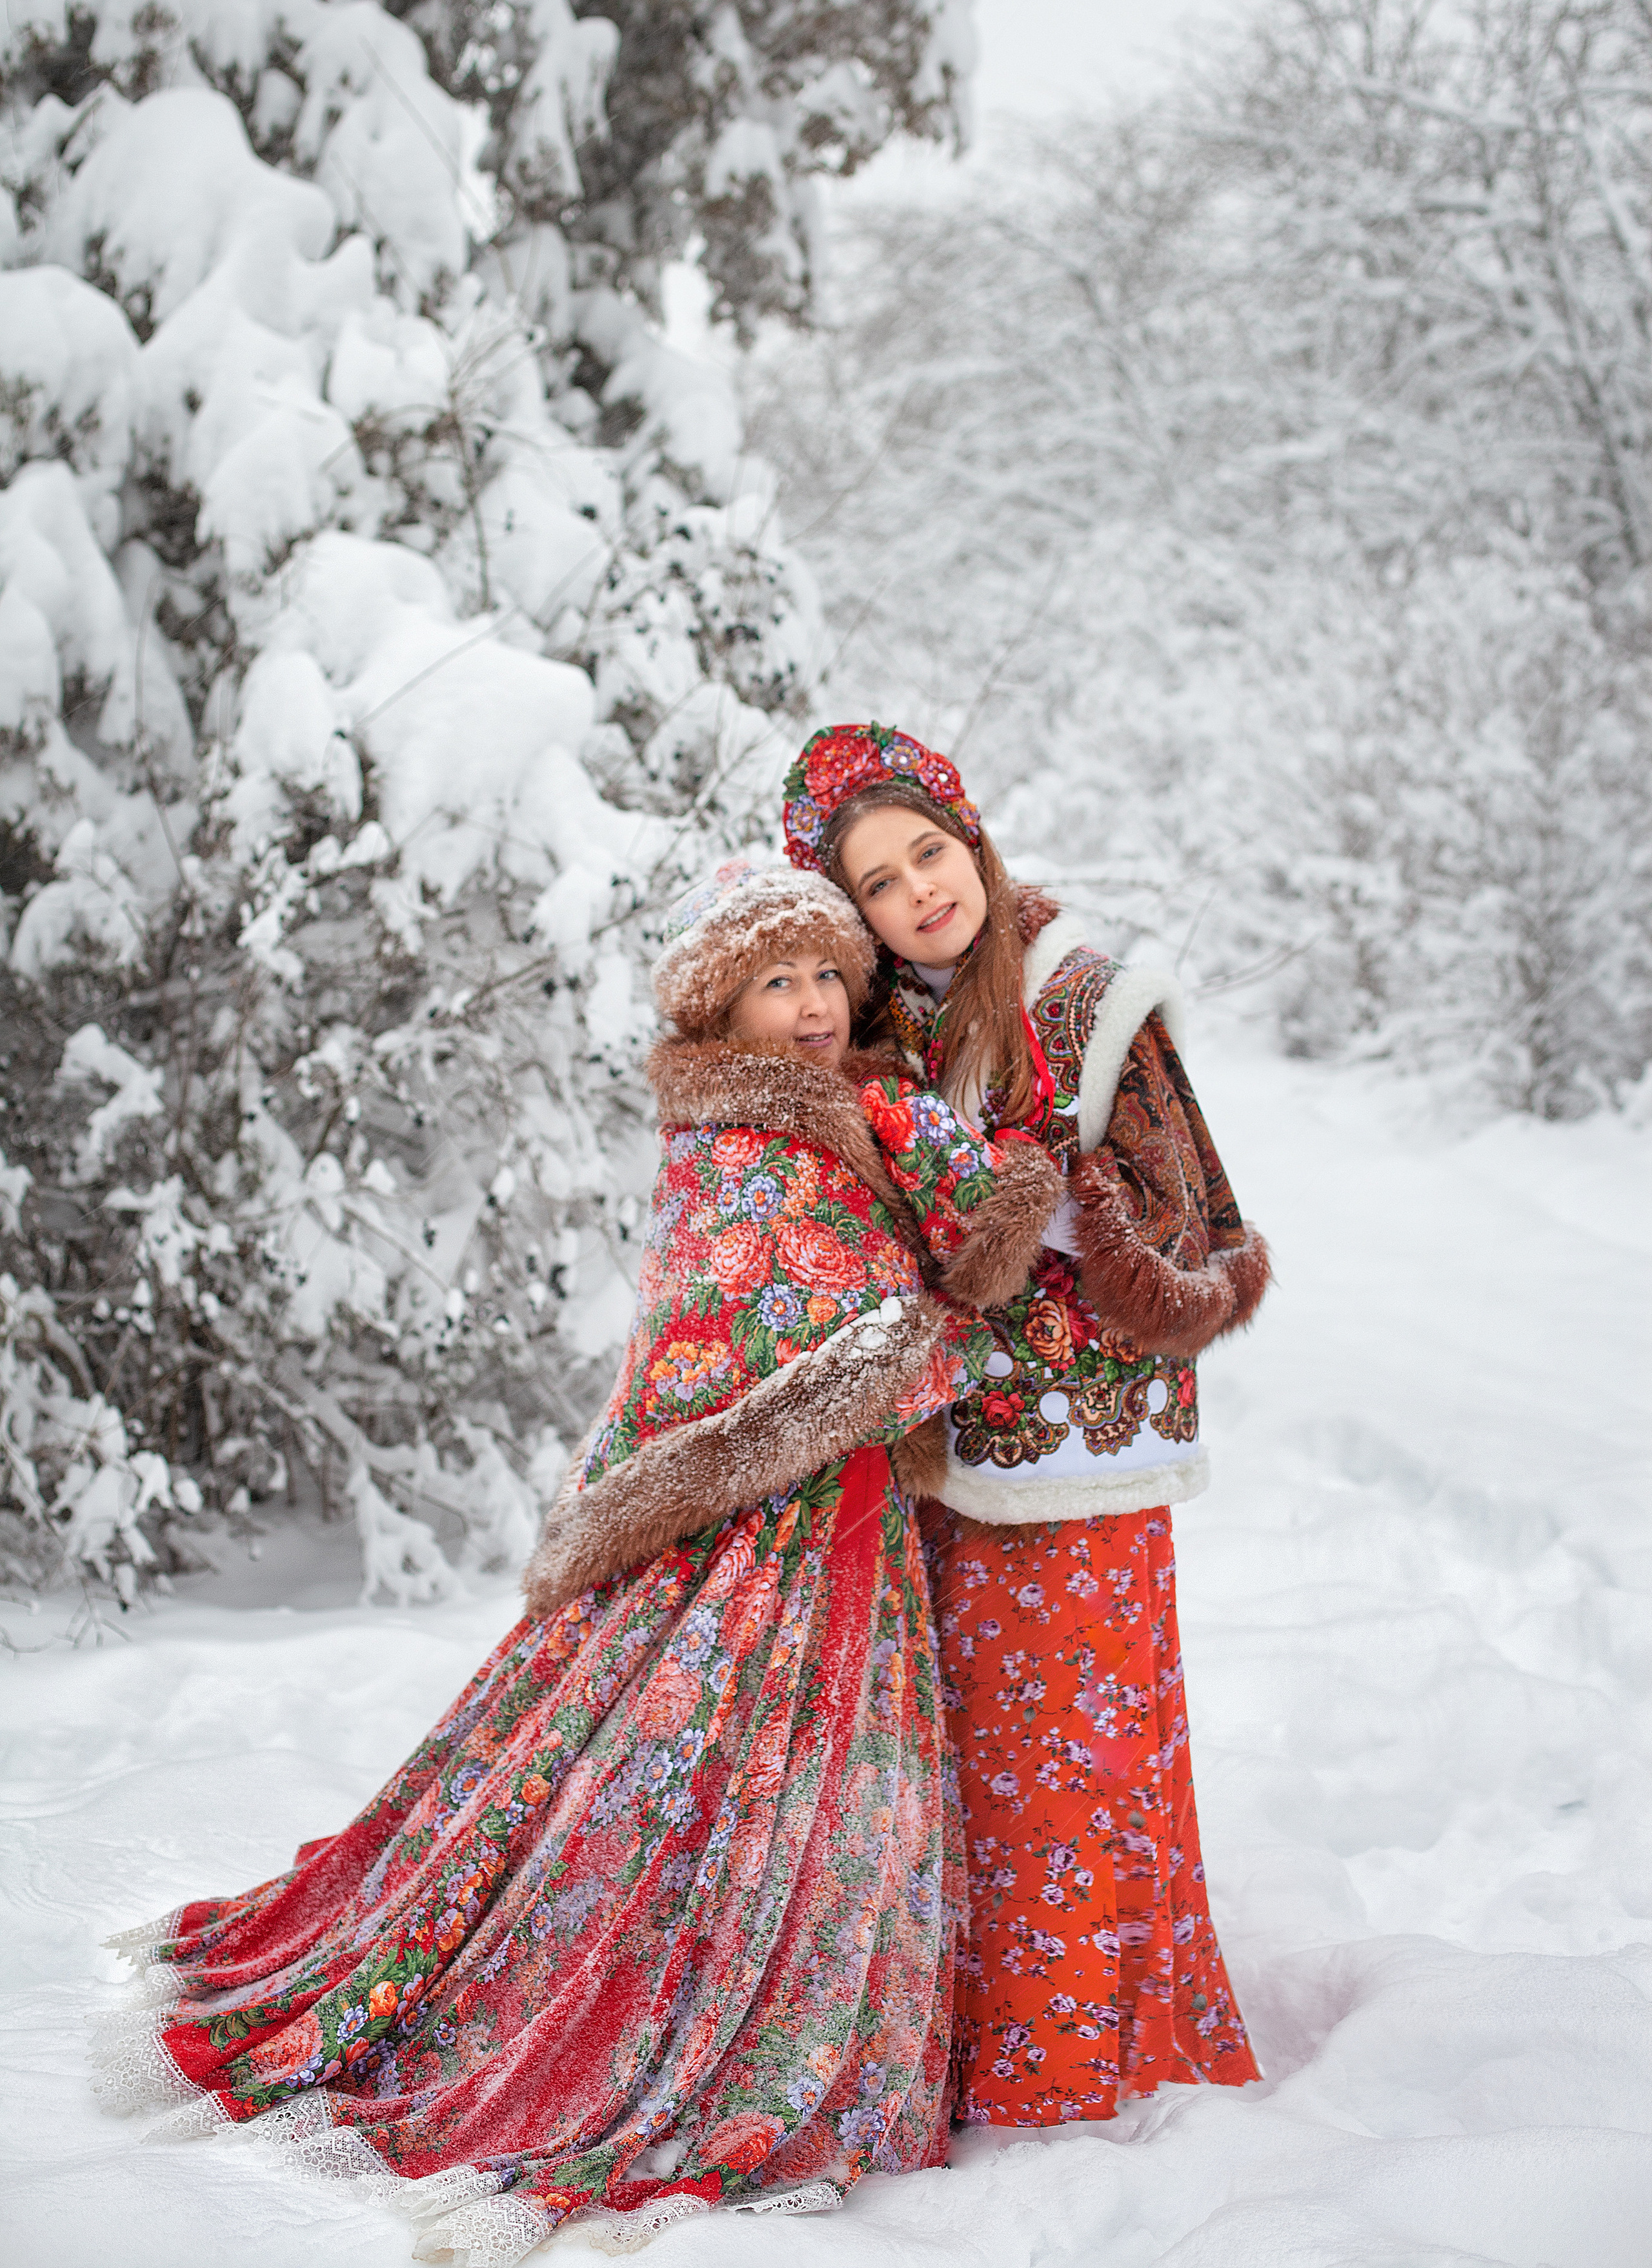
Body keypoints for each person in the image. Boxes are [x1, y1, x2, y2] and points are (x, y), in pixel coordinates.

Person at [93, 859, 1057, 2263]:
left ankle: (798, 2011)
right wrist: (952, 1332)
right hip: (755, 1523)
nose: (806, 1006)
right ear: (720, 1008)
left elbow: (918, 1265)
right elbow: (775, 1329)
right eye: (773, 982)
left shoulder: (861, 1113)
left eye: (823, 978)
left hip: (845, 1519)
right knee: (702, 1778)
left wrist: (971, 1209)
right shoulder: (732, 1137)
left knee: (825, 1793)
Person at [782, 722, 1271, 2129]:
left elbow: (1195, 1227)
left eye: (928, 852)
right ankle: (977, 2040)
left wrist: (1034, 1199)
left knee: (1078, 1758)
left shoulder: (1088, 1001)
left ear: (973, 839)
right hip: (949, 1448)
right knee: (977, 1765)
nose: (919, 892)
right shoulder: (881, 1032)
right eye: (878, 884)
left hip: (1081, 1454)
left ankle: (1081, 2057)